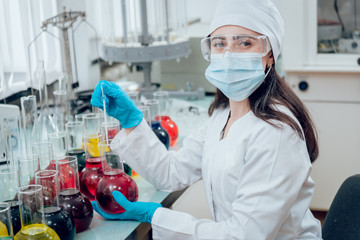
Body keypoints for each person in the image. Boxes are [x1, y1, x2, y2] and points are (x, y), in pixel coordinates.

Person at [90, 0, 322, 239]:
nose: (229, 55)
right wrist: (132, 122)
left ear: (270, 54)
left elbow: (243, 235)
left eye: (245, 42)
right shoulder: (223, 115)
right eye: (220, 43)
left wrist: (156, 216)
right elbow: (171, 172)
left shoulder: (276, 132)